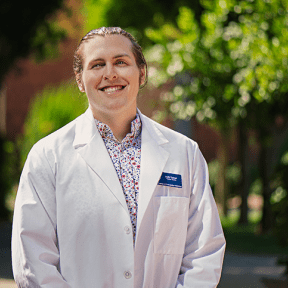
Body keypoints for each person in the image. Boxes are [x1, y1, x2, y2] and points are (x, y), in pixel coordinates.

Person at [12, 27, 226, 288]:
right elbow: (33, 259)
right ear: (80, 79)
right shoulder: (47, 157)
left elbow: (204, 252)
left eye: (121, 62)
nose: (110, 73)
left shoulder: (184, 153)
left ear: (142, 73)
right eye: (97, 64)